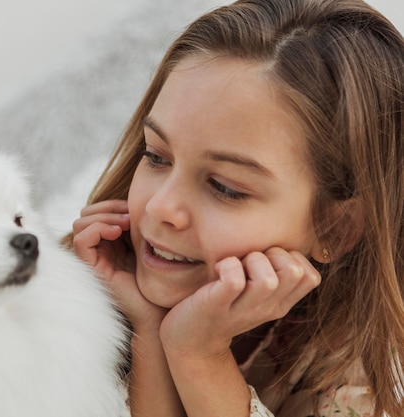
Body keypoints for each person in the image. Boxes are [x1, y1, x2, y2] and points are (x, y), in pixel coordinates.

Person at [64, 0, 404, 416]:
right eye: (155, 156)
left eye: (224, 187)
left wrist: (199, 355)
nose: (161, 206)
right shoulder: (68, 292)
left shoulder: (376, 379)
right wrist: (150, 337)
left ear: (337, 228)